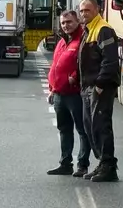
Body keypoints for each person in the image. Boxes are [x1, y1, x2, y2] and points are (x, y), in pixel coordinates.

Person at [78, 0, 121, 182]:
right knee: (91, 127)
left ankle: (108, 167)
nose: (83, 14)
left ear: (97, 10)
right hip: (88, 87)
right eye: (81, 11)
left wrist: (100, 85)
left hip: (99, 88)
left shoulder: (103, 29)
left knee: (101, 126)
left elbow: (110, 60)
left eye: (87, 10)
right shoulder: (88, 30)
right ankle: (102, 163)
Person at [47, 10, 91, 177]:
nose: (66, 25)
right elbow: (55, 66)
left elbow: (86, 64)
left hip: (75, 94)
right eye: (63, 23)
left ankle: (82, 165)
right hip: (59, 94)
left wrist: (74, 77)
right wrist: (52, 89)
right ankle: (65, 163)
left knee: (82, 129)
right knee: (64, 129)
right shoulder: (62, 42)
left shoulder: (82, 40)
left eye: (69, 22)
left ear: (77, 21)